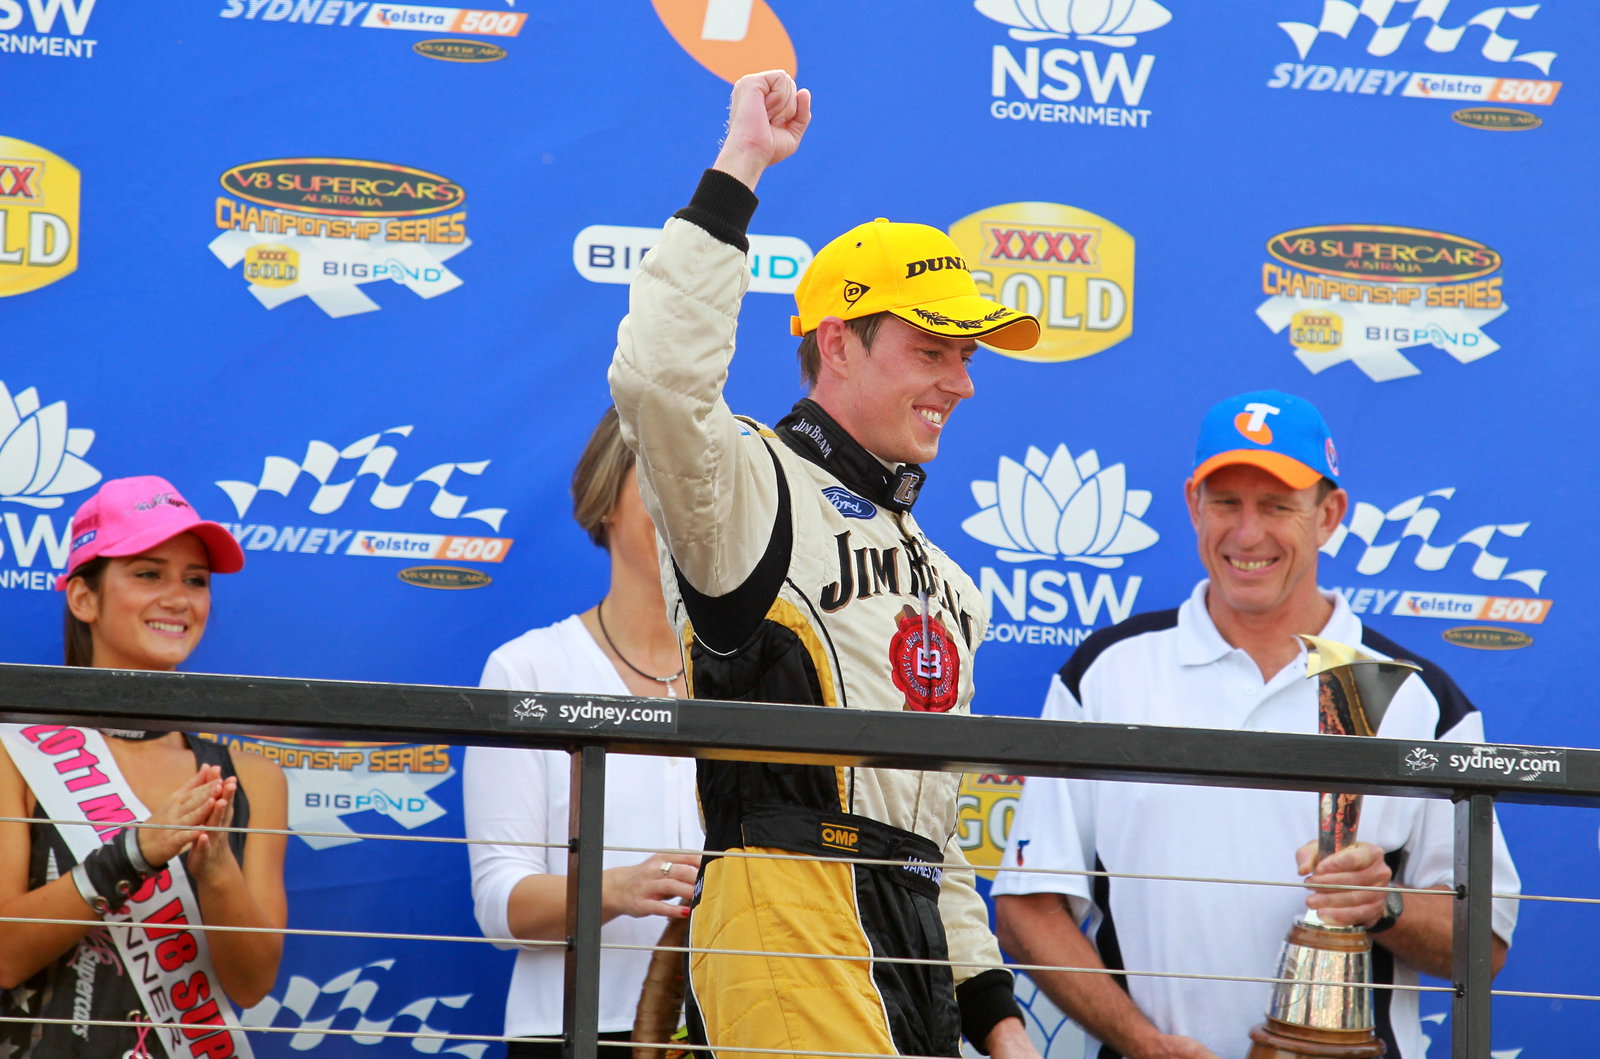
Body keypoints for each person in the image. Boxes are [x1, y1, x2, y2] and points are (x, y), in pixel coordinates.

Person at [608, 71, 1044, 1059]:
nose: (962, 383)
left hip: (916, 936)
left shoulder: (946, 575)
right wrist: (740, 168)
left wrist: (999, 1021)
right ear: (837, 342)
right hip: (785, 911)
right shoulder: (749, 481)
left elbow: (935, 827)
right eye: (935, 348)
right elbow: (660, 385)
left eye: (969, 356)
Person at [992, 391, 1520, 1059]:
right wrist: (1144, 1044)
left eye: (1276, 505)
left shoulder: (1422, 697)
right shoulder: (1105, 672)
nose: (1247, 534)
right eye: (1226, 502)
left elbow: (1487, 939)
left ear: (1329, 515)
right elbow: (1029, 903)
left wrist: (1382, 904)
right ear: (1193, 505)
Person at [0, 475, 289, 1058]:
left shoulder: (252, 775)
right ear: (84, 598)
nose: (179, 599)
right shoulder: (11, 753)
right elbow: (5, 955)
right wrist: (134, 853)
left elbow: (252, 986)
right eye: (149, 573)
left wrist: (216, 872)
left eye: (196, 580)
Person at [464, 406, 703, 1058]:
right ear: (607, 500)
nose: (685, 499)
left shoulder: (761, 677)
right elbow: (498, 901)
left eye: (703, 481)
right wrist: (618, 889)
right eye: (660, 476)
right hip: (570, 1034)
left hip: (736, 1028)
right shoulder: (527, 669)